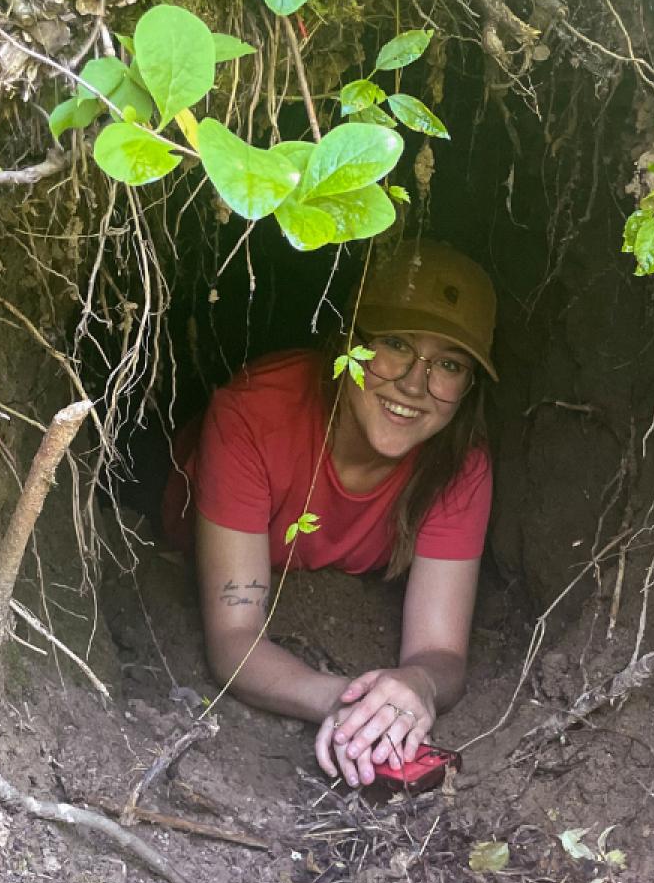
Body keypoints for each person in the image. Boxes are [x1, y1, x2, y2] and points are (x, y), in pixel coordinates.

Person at [163, 239, 497, 788]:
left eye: (449, 364)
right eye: (394, 344)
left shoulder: (460, 464)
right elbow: (233, 638)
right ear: (347, 341)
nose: (415, 385)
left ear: (468, 386)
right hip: (169, 499)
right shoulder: (253, 414)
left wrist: (416, 685)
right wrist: (345, 706)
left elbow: (438, 651)